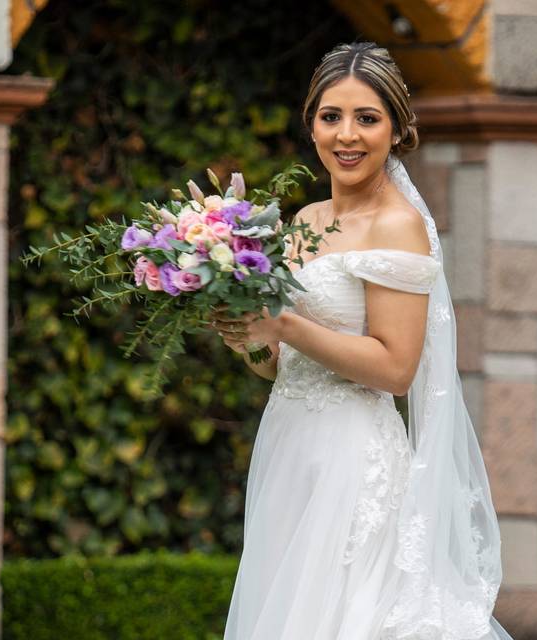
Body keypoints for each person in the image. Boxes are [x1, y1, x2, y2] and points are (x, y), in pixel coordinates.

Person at [212, 41, 513, 639]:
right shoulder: (303, 222)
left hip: (355, 459)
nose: (347, 135)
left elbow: (396, 368)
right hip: (291, 448)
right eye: (332, 117)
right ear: (312, 125)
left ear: (397, 130)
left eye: (367, 118)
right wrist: (246, 337)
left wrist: (286, 324)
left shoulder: (396, 225)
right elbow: (281, 366)